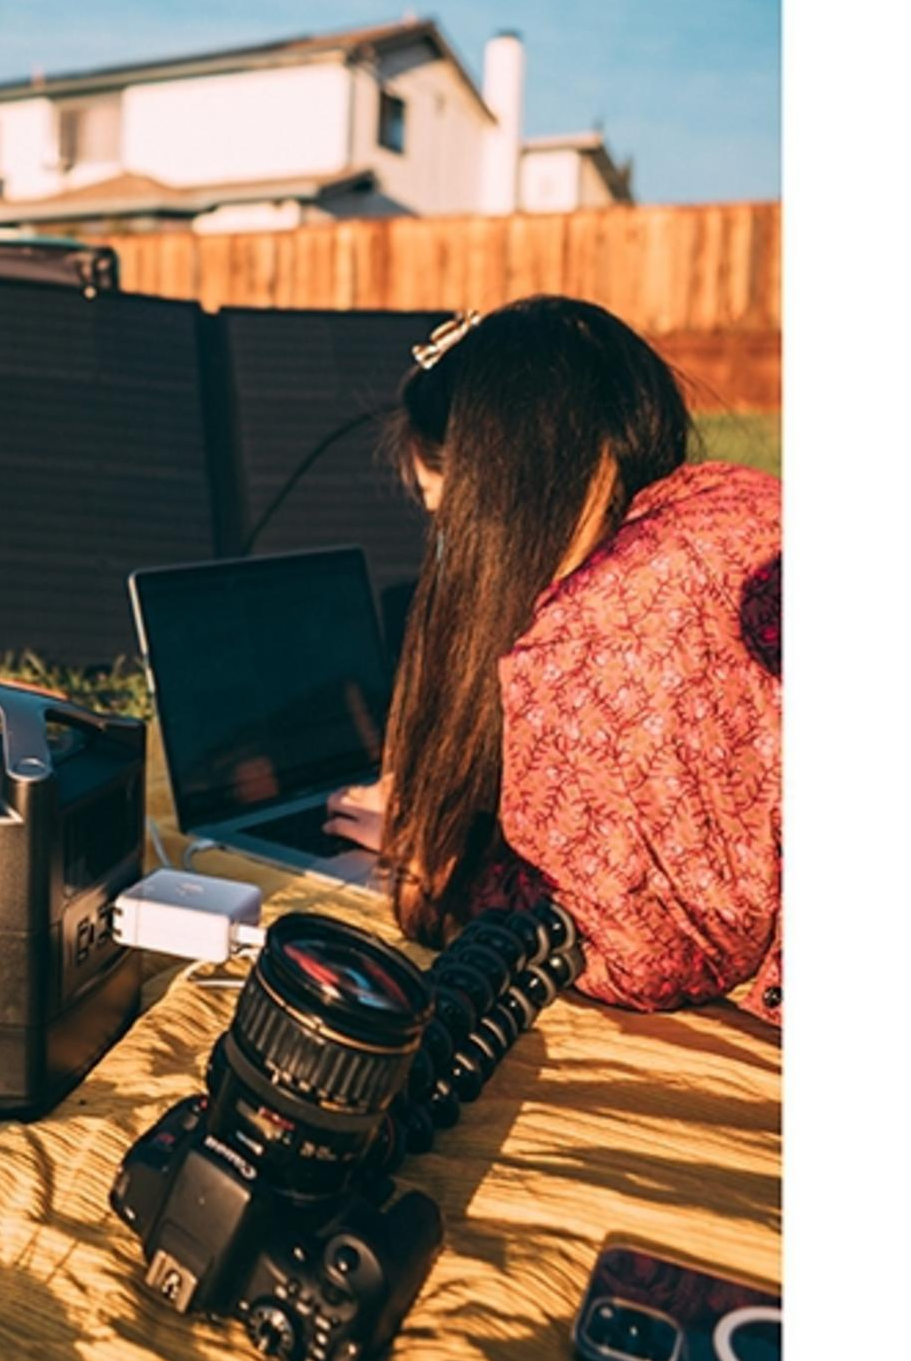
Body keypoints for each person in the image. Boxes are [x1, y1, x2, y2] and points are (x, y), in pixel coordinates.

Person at [324, 296, 783, 1025]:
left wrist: (448, 879)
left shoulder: (594, 629)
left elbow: (651, 953)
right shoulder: (732, 501)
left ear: (500, 495)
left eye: (446, 517)